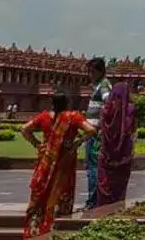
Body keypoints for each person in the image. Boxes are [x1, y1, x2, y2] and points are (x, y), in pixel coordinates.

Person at [22, 92, 96, 239]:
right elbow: (91, 130)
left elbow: (24, 129)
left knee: (42, 189)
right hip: (64, 161)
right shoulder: (73, 117)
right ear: (67, 103)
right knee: (62, 191)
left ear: (52, 103)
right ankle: (58, 228)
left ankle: (36, 228)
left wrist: (37, 144)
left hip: (46, 161)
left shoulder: (44, 117)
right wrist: (76, 143)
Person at [96, 82, 137, 206]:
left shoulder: (105, 110)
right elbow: (133, 130)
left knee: (104, 185)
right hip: (124, 155)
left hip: (107, 154)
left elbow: (100, 129)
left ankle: (102, 213)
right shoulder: (131, 109)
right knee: (120, 187)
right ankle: (117, 211)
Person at [82, 58, 112, 210]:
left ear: (101, 71)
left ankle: (93, 201)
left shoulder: (104, 85)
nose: (90, 75)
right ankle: (94, 199)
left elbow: (108, 105)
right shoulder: (98, 86)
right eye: (89, 72)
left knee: (93, 167)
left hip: (95, 133)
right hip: (92, 131)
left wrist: (100, 127)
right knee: (92, 166)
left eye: (93, 72)